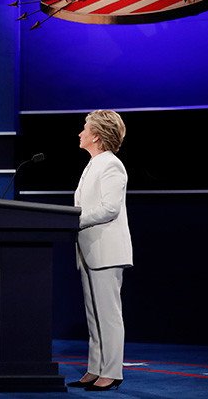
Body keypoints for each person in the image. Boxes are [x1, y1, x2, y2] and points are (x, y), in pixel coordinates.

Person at [68, 110, 133, 391]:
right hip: (90, 249)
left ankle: (112, 371)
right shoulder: (94, 164)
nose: (80, 133)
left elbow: (110, 208)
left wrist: (74, 219)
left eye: (85, 128)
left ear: (96, 136)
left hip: (106, 251)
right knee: (94, 315)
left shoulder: (112, 165)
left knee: (108, 315)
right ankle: (95, 368)